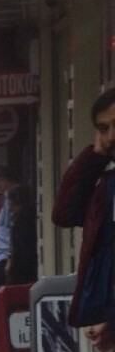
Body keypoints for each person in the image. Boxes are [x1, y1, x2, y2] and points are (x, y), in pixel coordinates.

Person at [53, 88, 115, 327]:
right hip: (105, 311)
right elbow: (64, 213)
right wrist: (94, 156)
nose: (110, 137)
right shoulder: (106, 182)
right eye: (103, 129)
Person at [2, 170, 38, 285]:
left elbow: (18, 244)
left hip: (22, 265)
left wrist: (10, 261)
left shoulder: (21, 219)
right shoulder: (26, 215)